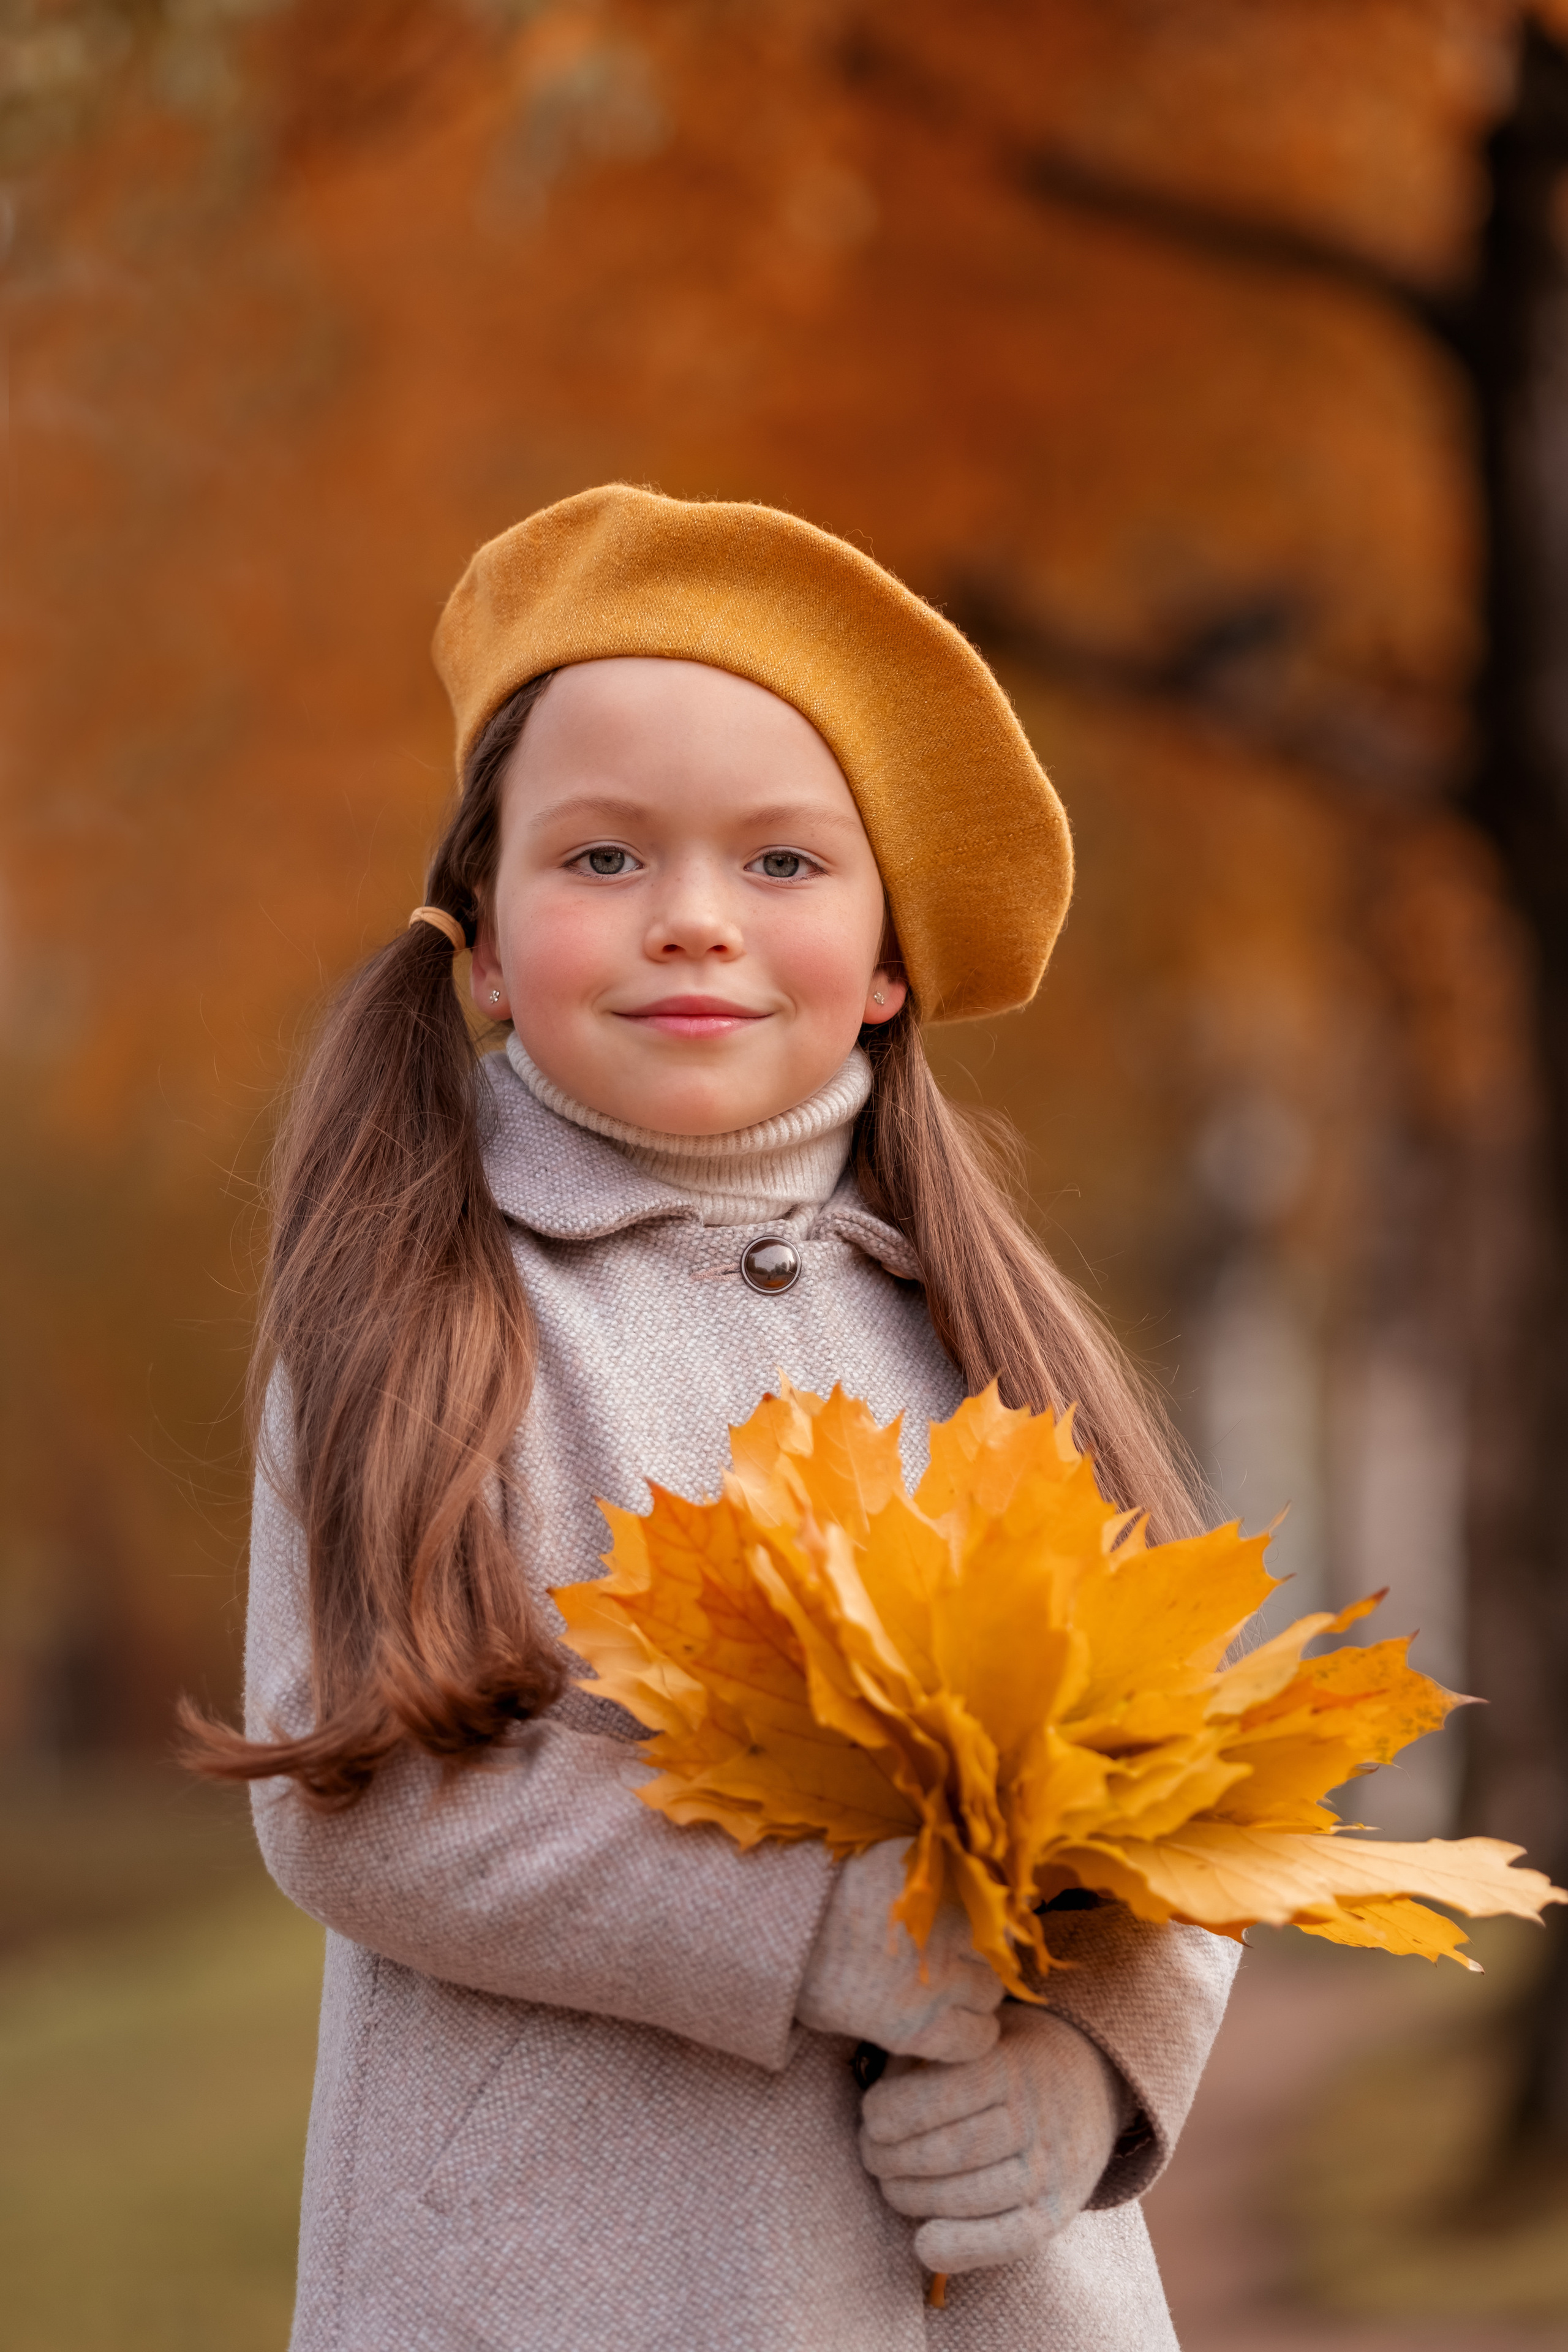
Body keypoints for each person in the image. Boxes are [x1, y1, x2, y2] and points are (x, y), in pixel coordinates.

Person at [186, 485, 1237, 2351]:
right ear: (485, 942)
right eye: (601, 861)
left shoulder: (986, 1340)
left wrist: (1092, 2071)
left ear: (891, 957)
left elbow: (1173, 1802)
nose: (691, 921)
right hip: (560, 2283)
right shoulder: (425, 1315)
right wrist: (840, 1931)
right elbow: (369, 1804)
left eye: (782, 865)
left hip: (997, 2300)